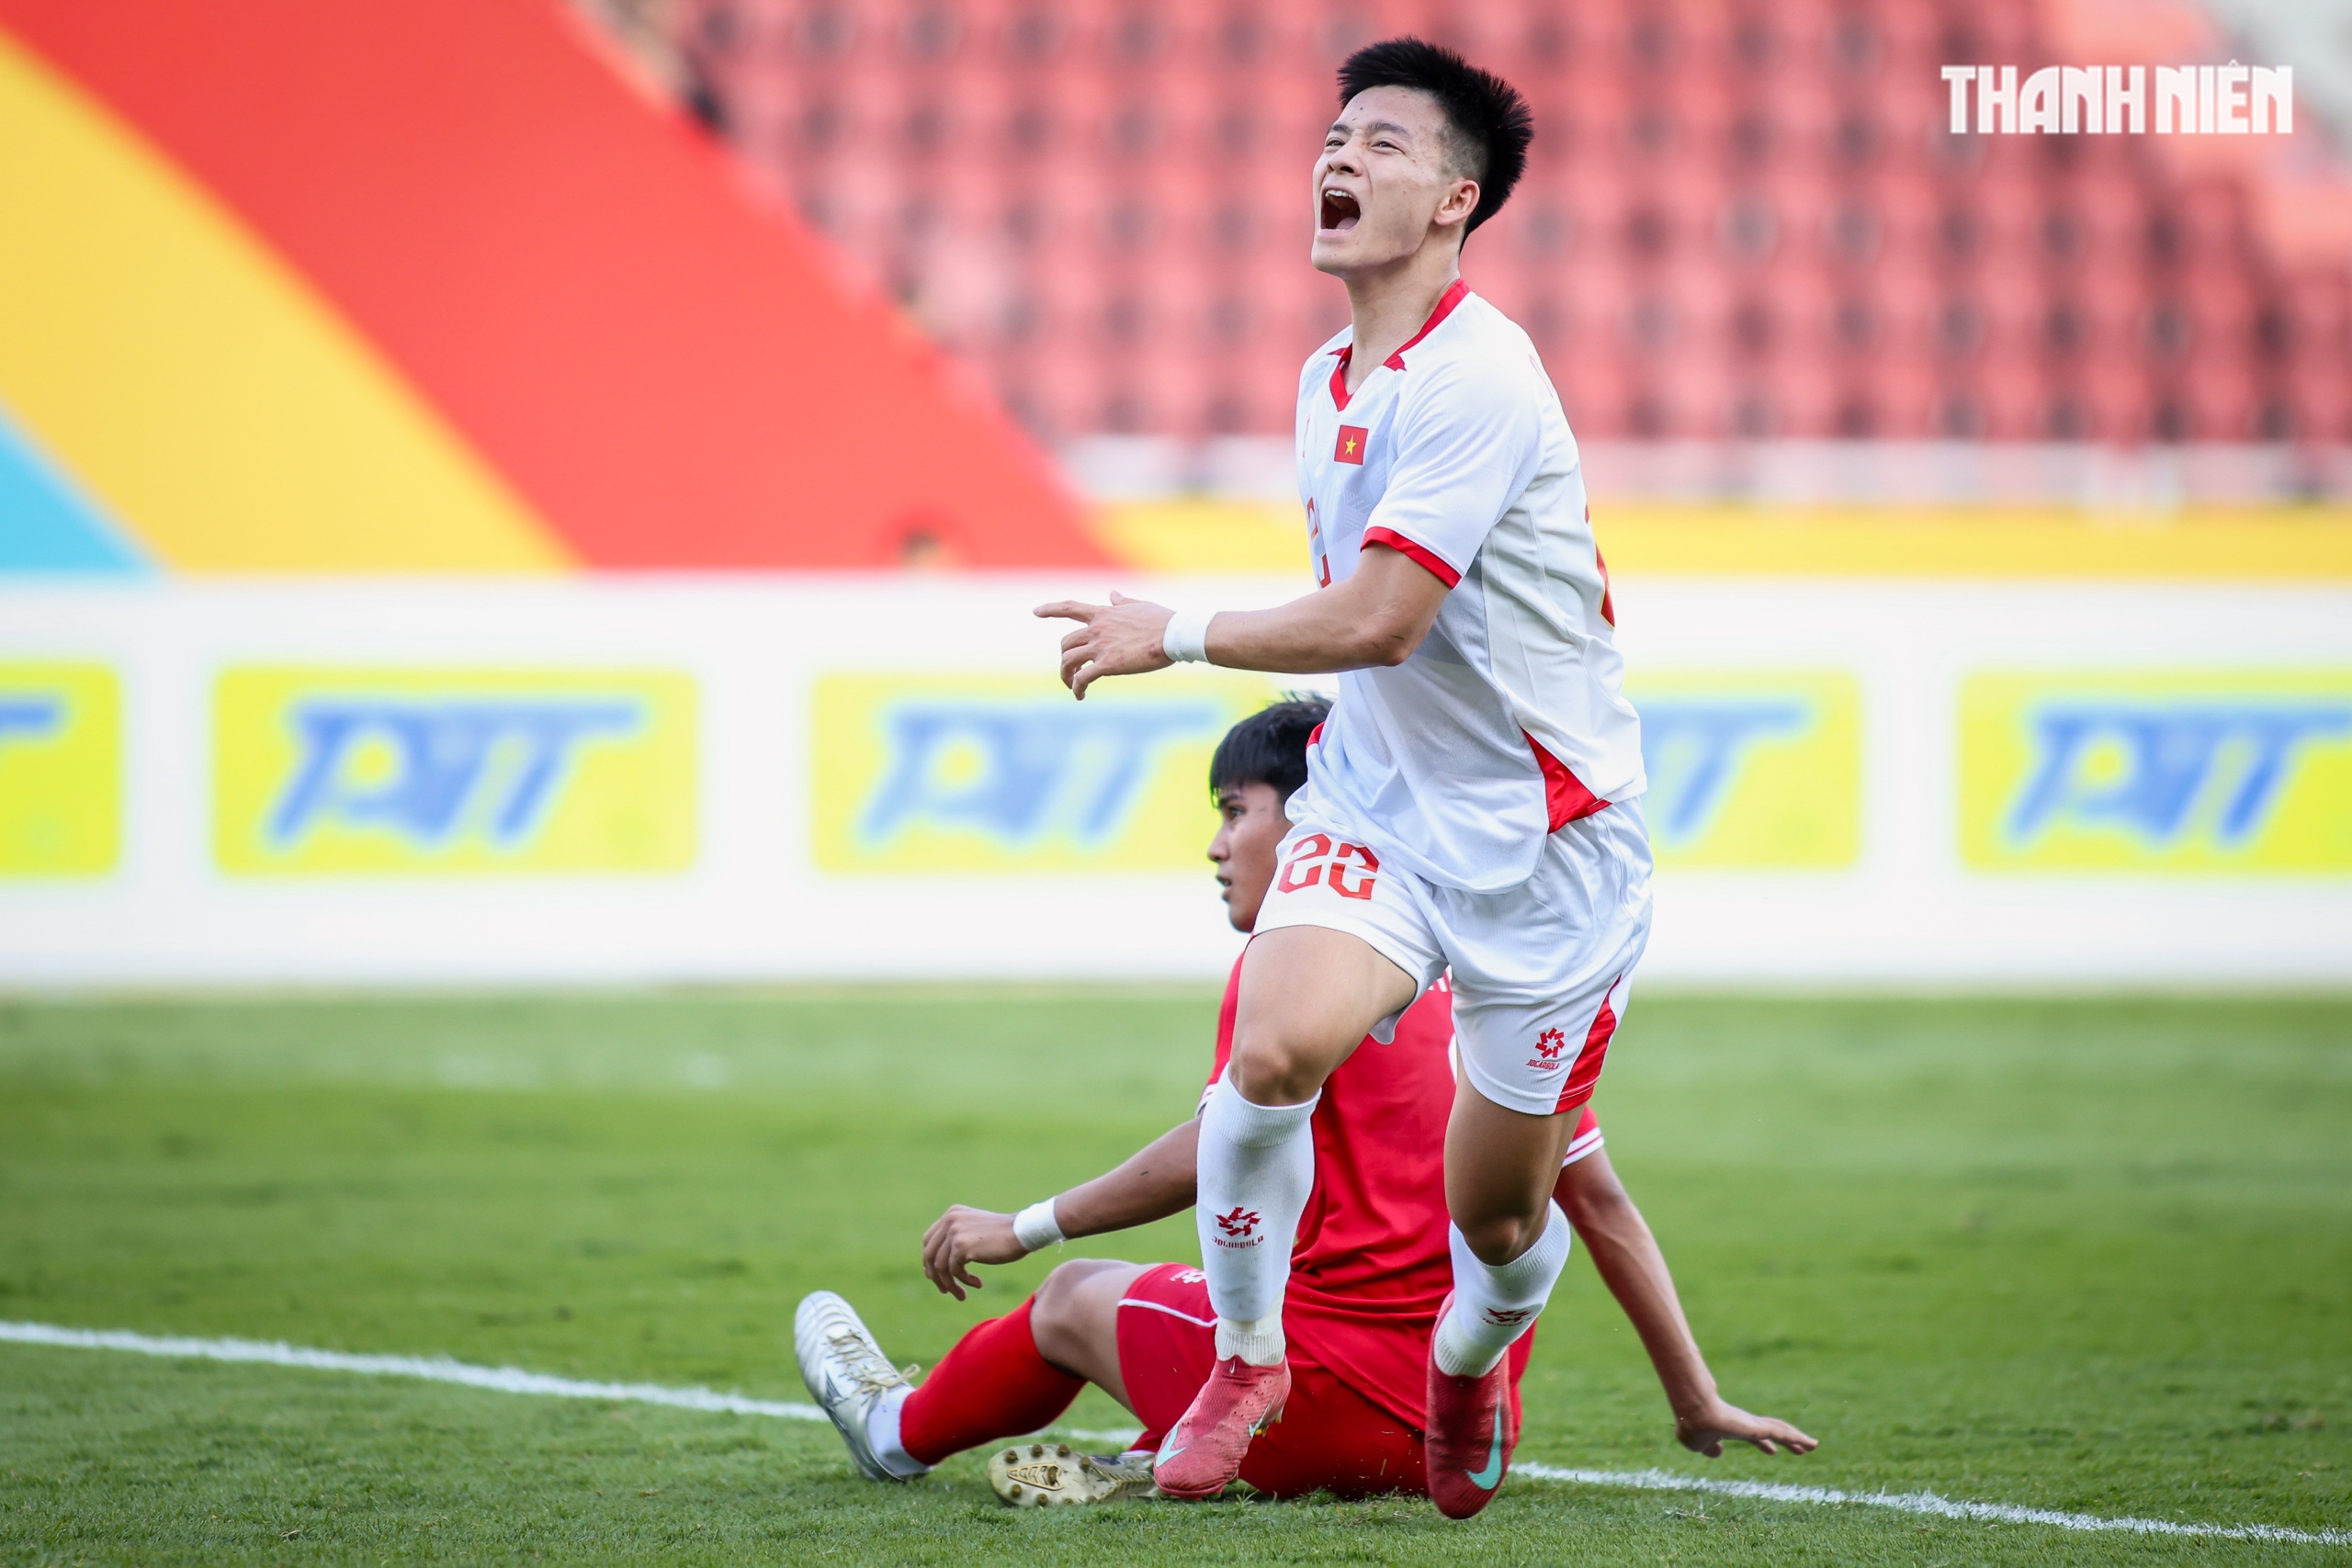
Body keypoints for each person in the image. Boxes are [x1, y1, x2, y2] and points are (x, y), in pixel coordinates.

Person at [1035, 39, 1648, 1516]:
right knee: (1267, 1058)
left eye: (1380, 141)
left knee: (1495, 1219)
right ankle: (1250, 1359)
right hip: (1377, 795)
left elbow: (1380, 616)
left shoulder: (1483, 377)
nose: (1339, 155)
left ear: (1455, 198)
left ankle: (1465, 1366)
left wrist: (1169, 631)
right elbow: (1367, 644)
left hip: (1548, 842)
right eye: (1333, 132)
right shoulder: (1324, 374)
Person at [794, 702, 1813, 1507]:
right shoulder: (1492, 976)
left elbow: (1212, 1150)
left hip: (1322, 1406)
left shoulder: (1297, 970)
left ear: (1320, 820)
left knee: (1073, 1296)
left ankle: (893, 1431)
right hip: (1449, 1438)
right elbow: (1600, 1207)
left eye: (1237, 812)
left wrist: (1023, 1226)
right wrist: (1694, 1398)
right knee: (1398, 1260)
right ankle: (1182, 1441)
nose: (1218, 844)